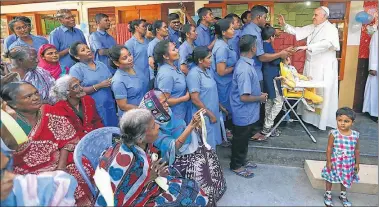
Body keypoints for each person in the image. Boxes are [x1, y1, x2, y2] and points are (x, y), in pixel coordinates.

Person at [0, 82, 94, 206]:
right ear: (12, 104)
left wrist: (61, 168)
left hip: (58, 160)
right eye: (28, 96)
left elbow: (66, 140)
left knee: (80, 170)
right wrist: (10, 121)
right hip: (26, 170)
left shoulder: (49, 110)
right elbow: (9, 149)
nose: (35, 98)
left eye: (36, 93)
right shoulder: (6, 122)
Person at [94, 108, 209, 206]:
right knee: (187, 198)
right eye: (154, 126)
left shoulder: (138, 145)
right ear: (140, 138)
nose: (158, 127)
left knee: (190, 186)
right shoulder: (124, 162)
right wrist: (149, 179)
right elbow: (113, 200)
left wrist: (152, 175)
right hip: (134, 199)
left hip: (147, 184)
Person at [139, 89, 226, 206]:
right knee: (199, 164)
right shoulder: (152, 128)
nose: (167, 105)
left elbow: (180, 126)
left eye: (166, 101)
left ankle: (216, 190)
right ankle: (205, 198)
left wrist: (194, 127)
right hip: (172, 159)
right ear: (155, 107)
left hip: (186, 146)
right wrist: (190, 126)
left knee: (209, 153)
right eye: (163, 103)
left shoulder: (166, 113)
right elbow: (173, 147)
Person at [279, 6, 340, 130]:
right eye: (314, 14)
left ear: (324, 16)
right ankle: (308, 118)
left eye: (316, 15)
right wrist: (285, 25)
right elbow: (298, 31)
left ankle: (321, 121)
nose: (313, 17)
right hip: (311, 65)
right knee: (308, 90)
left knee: (321, 93)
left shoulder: (331, 29)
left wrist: (307, 47)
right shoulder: (313, 27)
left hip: (324, 66)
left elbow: (328, 43)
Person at [230, 35, 267, 178]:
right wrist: (260, 97)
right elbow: (243, 97)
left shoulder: (246, 64)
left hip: (248, 112)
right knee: (240, 140)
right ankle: (236, 166)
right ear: (253, 48)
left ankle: (242, 161)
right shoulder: (244, 69)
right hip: (243, 112)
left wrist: (258, 94)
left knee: (244, 140)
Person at [69, 41, 118, 127]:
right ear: (77, 56)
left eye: (87, 48)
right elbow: (76, 90)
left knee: (113, 131)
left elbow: (110, 79)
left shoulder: (101, 64)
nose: (88, 50)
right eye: (83, 50)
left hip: (109, 104)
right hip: (92, 108)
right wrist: (99, 86)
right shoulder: (76, 69)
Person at [242, 5, 292, 89]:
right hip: (253, 73)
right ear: (258, 17)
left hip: (254, 70)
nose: (266, 20)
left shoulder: (255, 30)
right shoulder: (253, 33)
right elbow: (261, 57)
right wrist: (280, 54)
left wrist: (282, 52)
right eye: (265, 18)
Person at [321, 107, 360, 207]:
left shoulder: (355, 135)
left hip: (348, 163)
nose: (342, 123)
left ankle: (343, 195)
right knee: (330, 177)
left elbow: (356, 150)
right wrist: (328, 161)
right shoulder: (334, 134)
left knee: (345, 178)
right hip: (335, 161)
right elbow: (329, 148)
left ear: (352, 122)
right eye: (340, 120)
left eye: (346, 121)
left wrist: (357, 163)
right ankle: (328, 194)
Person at [186, 46, 222, 149]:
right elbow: (195, 99)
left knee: (211, 144)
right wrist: (210, 115)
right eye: (208, 58)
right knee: (205, 146)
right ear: (200, 60)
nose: (211, 60)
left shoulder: (207, 71)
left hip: (211, 114)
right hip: (204, 116)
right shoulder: (194, 74)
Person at [211, 19, 237, 137]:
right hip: (223, 84)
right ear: (223, 32)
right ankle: (225, 133)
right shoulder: (222, 47)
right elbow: (221, 71)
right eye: (231, 28)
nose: (234, 30)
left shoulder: (225, 44)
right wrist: (235, 67)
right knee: (225, 109)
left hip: (227, 83)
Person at [154, 40, 190, 121]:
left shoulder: (173, 67)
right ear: (166, 56)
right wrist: (185, 98)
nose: (177, 50)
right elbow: (164, 101)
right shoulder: (166, 74)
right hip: (174, 118)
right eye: (174, 50)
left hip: (182, 114)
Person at [259, 25, 283, 137]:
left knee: (269, 101)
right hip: (272, 76)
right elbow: (274, 61)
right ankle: (268, 125)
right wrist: (282, 57)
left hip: (266, 75)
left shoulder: (262, 45)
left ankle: (266, 126)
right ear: (271, 37)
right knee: (278, 102)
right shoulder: (267, 46)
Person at [109, 45, 144, 117]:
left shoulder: (134, 68)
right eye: (125, 58)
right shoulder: (118, 81)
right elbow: (123, 106)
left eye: (130, 55)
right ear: (116, 63)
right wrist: (142, 110)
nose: (130, 58)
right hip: (131, 116)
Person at [124, 19, 150, 94]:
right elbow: (128, 63)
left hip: (149, 76)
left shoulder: (148, 41)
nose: (145, 28)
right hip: (137, 78)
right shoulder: (130, 43)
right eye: (143, 26)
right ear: (136, 27)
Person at [363, 29, 378, 121]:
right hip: (376, 68)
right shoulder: (377, 34)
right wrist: (373, 67)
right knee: (375, 90)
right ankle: (374, 113)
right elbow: (373, 50)